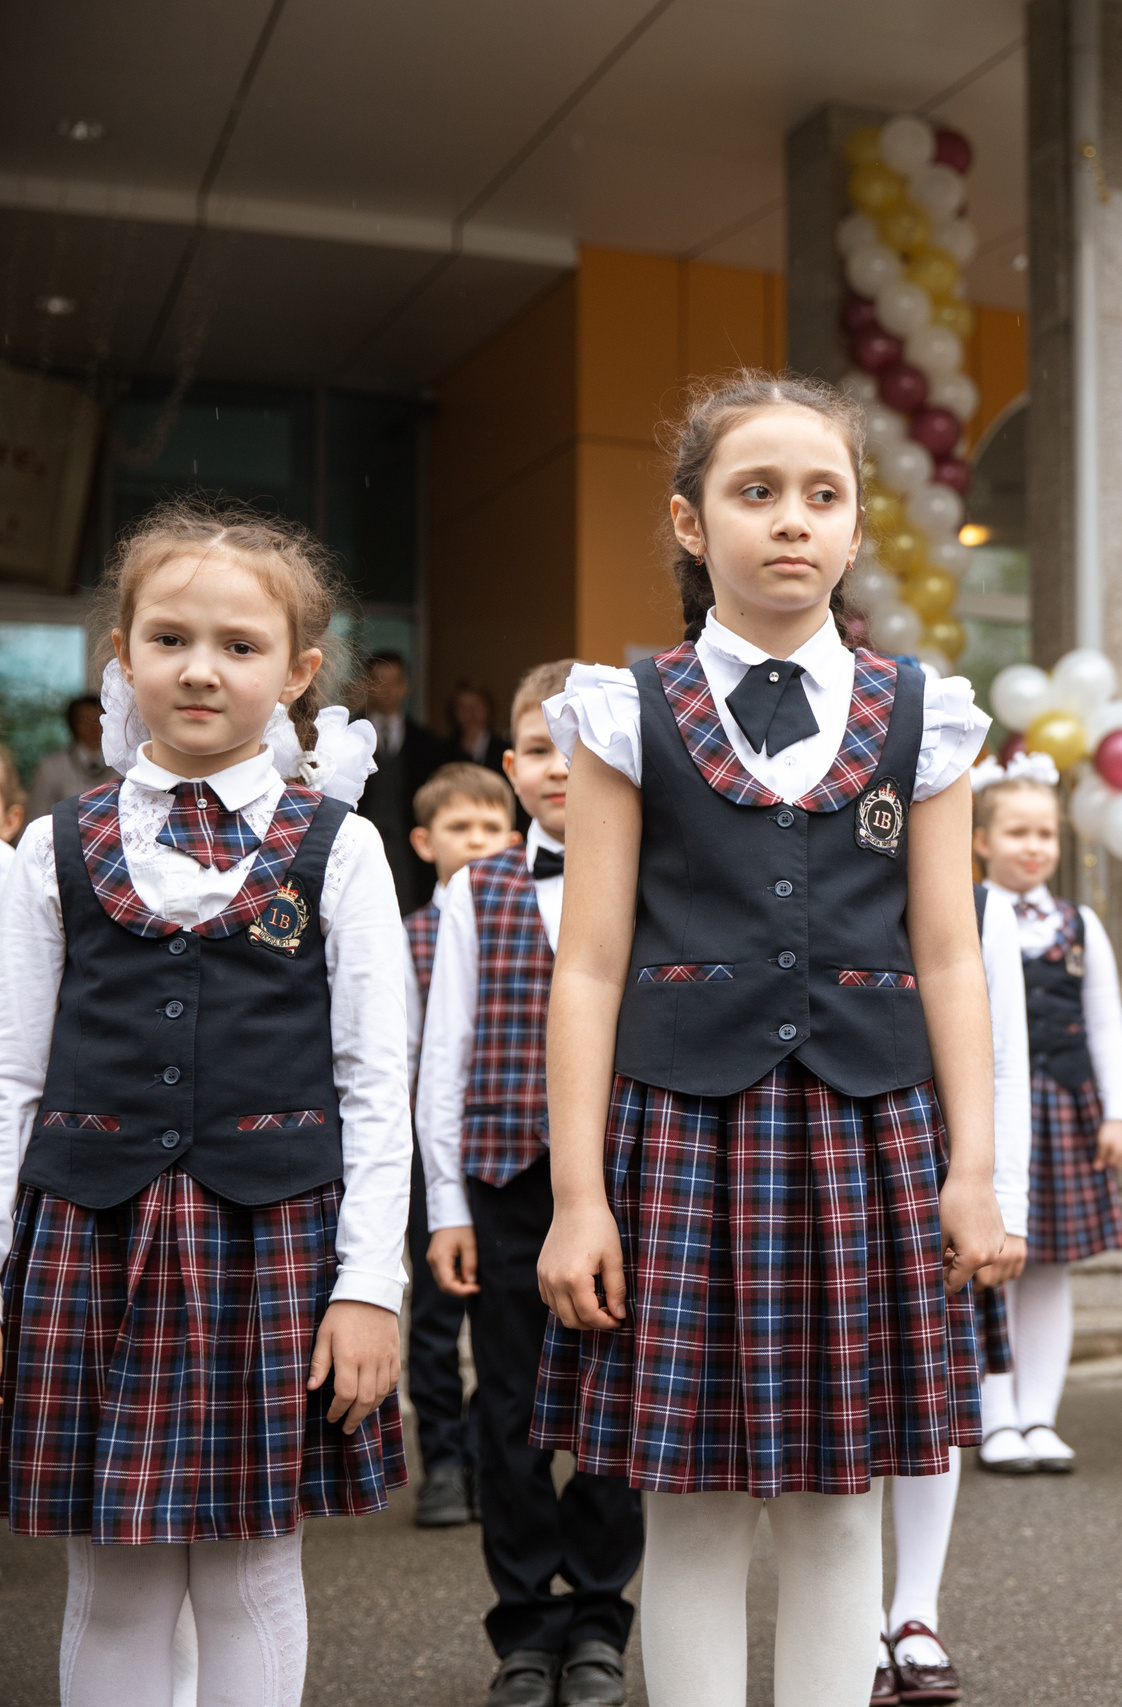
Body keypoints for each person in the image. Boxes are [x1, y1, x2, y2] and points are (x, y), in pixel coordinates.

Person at [529, 371, 1003, 1707]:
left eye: (823, 494)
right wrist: (578, 1195)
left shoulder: (927, 713)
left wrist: (974, 1166)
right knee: (688, 1507)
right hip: (682, 1136)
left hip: (872, 1132)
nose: (791, 519)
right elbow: (592, 961)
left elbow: (952, 952)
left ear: (856, 530)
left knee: (841, 1503)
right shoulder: (626, 707)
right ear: (692, 523)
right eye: (756, 491)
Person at [0, 499, 408, 1707]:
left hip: (268, 1239)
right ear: (118, 656)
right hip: (90, 1236)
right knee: (113, 1581)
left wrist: (368, 1285)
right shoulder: (51, 850)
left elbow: (374, 1083)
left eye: (239, 645)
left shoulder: (340, 847)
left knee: (244, 1574)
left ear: (297, 671)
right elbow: (14, 1075)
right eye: (169, 638)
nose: (201, 668)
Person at [421, 664, 646, 1707]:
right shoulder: (477, 890)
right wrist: (448, 1204)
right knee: (508, 1409)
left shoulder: (653, 877)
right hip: (507, 1178)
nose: (562, 767)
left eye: (580, 746)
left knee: (614, 1410)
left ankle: (600, 1618)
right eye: (542, 750)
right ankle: (524, 1625)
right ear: (511, 769)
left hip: (627, 1184)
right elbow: (449, 1049)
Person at [873, 757, 1038, 1707]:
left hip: (948, 1173)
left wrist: (999, 1195)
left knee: (931, 1400)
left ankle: (916, 1609)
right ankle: (848, 1614)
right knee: (842, 1396)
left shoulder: (983, 909)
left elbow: (1005, 1063)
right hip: (847, 1169)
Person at [970, 761, 1122, 1474]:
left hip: (1064, 1109)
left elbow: (1106, 1025)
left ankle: (1039, 1413)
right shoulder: (965, 915)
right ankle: (992, 1413)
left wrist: (1119, 1111)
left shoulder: (1079, 924)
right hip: (990, 1111)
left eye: (1045, 833)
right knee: (990, 1266)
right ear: (980, 840)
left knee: (1049, 1269)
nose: (1033, 846)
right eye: (1016, 832)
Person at [402, 760, 519, 1533]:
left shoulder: (525, 916)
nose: (475, 842)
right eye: (458, 829)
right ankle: (440, 1458)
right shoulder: (408, 935)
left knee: (504, 1313)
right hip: (429, 1147)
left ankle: (487, 1449)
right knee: (439, 1313)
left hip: (505, 1141)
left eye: (488, 828)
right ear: (423, 841)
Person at [356, 651, 460, 913]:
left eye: (394, 682)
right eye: (378, 682)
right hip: (358, 851)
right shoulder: (346, 735)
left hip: (412, 860)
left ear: (406, 686)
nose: (387, 690)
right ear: (366, 685)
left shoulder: (427, 743)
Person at [31, 693, 113, 811]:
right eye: (85, 720)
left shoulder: (124, 765)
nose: (92, 726)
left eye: (97, 719)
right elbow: (38, 812)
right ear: (72, 724)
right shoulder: (51, 767)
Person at [451, 683, 510, 772]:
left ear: (488, 709)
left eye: (475, 707)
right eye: (463, 708)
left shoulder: (504, 749)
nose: (470, 714)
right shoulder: (444, 751)